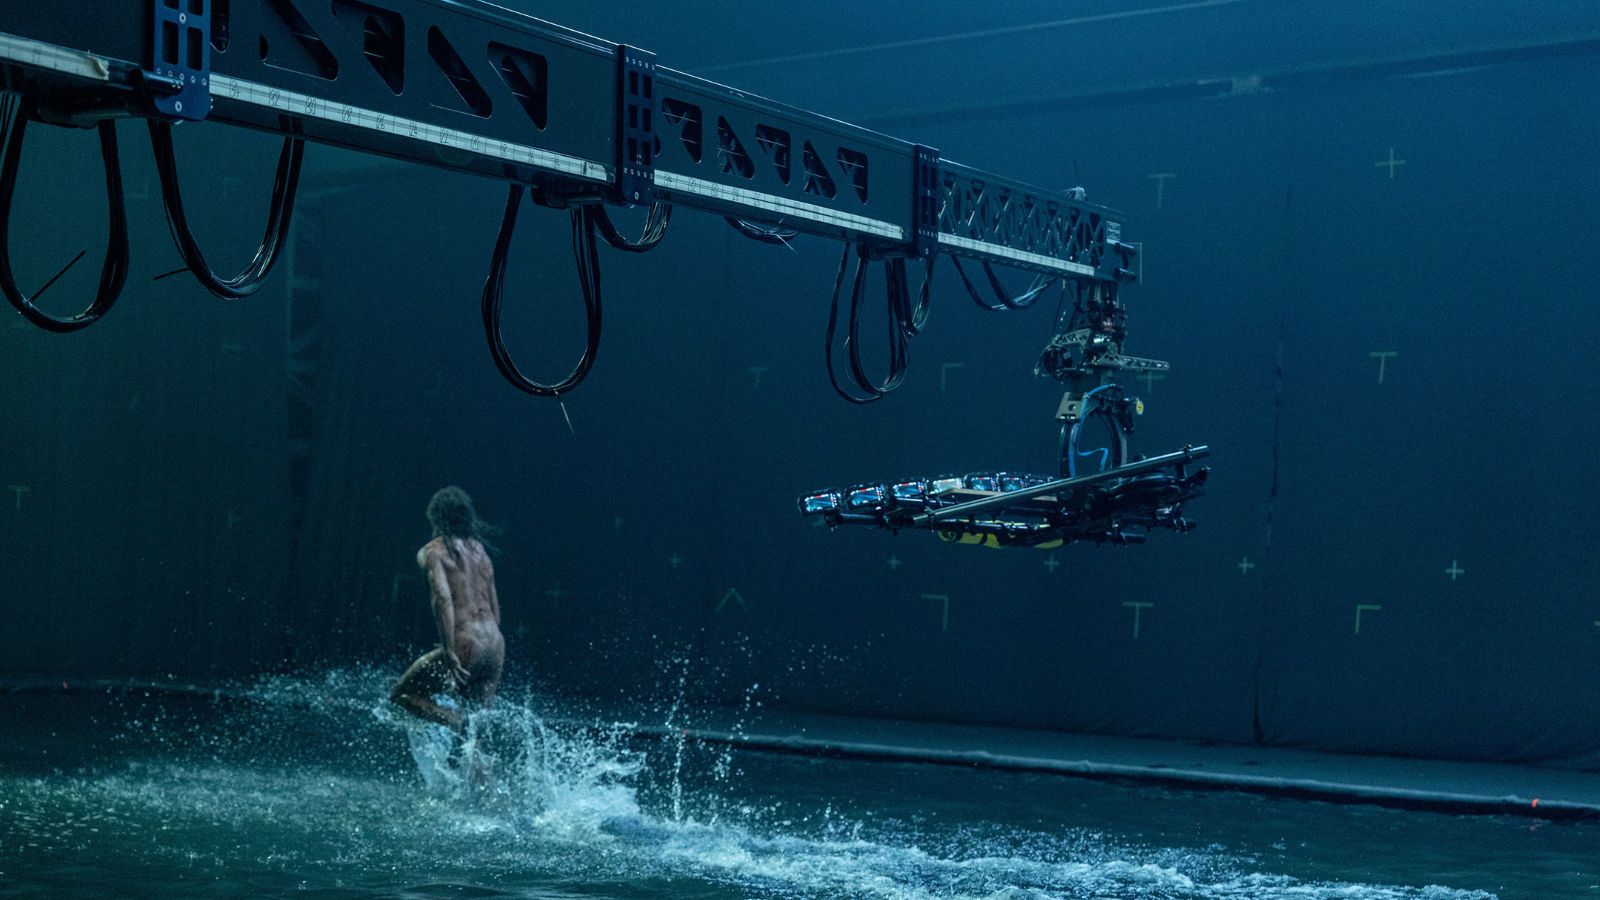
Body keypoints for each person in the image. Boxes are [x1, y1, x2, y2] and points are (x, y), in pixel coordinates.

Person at [390, 486, 505, 732]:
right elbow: (494, 605)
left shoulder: (433, 552)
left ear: (435, 517)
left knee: (403, 695)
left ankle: (456, 723)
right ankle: (468, 738)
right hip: (495, 644)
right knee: (477, 728)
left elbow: (442, 599)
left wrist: (451, 650)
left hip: (466, 642)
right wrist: (485, 642)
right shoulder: (480, 550)